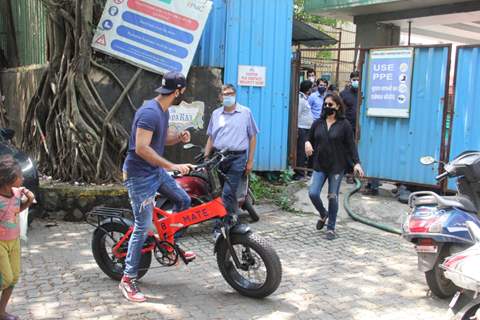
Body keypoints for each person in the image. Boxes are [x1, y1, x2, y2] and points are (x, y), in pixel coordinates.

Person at [120, 71, 196, 303]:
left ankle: (168, 243)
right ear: (178, 91)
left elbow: (159, 139)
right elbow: (142, 148)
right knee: (142, 227)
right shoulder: (149, 112)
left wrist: (178, 138)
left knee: (183, 200)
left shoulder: (162, 111)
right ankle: (128, 279)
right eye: (183, 90)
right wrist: (172, 165)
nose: (183, 93)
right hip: (139, 176)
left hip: (155, 172)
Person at [305, 94, 364, 240]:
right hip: (320, 165)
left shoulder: (344, 125)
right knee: (313, 193)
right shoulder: (318, 123)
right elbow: (309, 138)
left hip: (337, 166)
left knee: (333, 196)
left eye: (330, 105)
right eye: (325, 104)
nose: (327, 107)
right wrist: (307, 143)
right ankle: (324, 214)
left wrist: (356, 163)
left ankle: (331, 227)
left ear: (338, 106)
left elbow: (351, 146)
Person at [204, 84, 259, 238]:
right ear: (220, 97)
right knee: (224, 192)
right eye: (225, 94)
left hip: (238, 158)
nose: (228, 96)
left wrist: (250, 161)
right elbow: (211, 137)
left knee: (228, 192)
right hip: (219, 158)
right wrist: (206, 157)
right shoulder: (216, 114)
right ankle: (232, 219)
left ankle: (221, 226)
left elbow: (252, 137)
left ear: (235, 95)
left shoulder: (245, 113)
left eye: (231, 93)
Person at [0, 155, 35, 320]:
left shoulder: (16, 193)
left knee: (13, 278)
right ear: (8, 179)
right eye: (19, 176)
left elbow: (15, 211)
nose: (23, 178)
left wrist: (28, 200)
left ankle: (1, 312)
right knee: (5, 279)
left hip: (14, 241)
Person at [294, 80, 314, 180]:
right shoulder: (301, 100)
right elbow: (297, 115)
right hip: (301, 128)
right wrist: (296, 129)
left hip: (306, 128)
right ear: (308, 89)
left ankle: (302, 172)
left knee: (305, 151)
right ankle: (299, 174)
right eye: (311, 87)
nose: (312, 89)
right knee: (301, 151)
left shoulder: (305, 98)